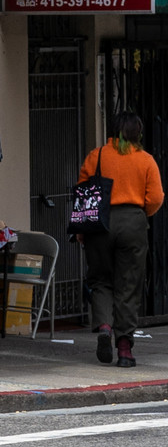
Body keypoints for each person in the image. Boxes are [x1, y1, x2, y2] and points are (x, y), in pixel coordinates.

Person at [78, 112, 164, 369]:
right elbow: (156, 198)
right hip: (133, 221)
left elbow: (83, 192)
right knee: (129, 285)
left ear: (112, 131)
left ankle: (104, 325)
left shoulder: (97, 156)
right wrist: (140, 215)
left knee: (100, 279)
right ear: (138, 133)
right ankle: (125, 349)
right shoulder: (145, 160)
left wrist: (82, 229)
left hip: (100, 224)